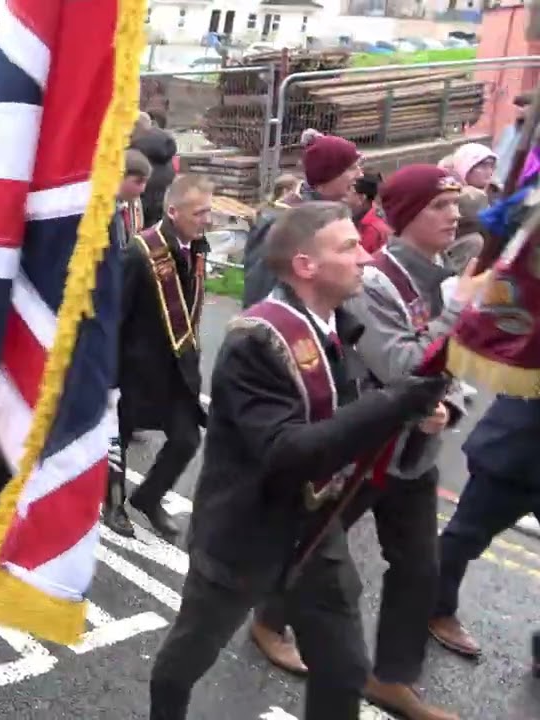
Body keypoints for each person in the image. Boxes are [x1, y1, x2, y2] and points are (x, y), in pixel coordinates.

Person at [147, 201, 451, 720]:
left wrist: (409, 413)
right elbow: (288, 453)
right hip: (244, 537)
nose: (366, 259)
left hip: (314, 533)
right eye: (349, 247)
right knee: (189, 656)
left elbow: (343, 414)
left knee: (345, 668)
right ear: (306, 265)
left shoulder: (338, 328)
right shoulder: (256, 341)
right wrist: (394, 402)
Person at [251, 165, 471, 720]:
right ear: (407, 216)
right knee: (316, 544)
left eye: (454, 205)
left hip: (415, 454)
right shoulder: (375, 282)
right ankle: (268, 619)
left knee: (419, 567)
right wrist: (457, 310)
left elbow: (458, 359)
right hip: (365, 448)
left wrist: (452, 405)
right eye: (438, 207)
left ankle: (392, 676)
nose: (454, 216)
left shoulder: (449, 274)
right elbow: (399, 364)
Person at [106, 175, 212, 538]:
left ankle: (149, 498)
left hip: (176, 370)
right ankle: (113, 505)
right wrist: (108, 377)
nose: (207, 220)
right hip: (135, 368)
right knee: (116, 438)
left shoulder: (198, 247)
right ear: (173, 211)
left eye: (208, 211)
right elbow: (115, 314)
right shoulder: (139, 253)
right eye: (199, 213)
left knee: (186, 440)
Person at [430, 396, 540, 660]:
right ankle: (434, 608)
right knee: (465, 536)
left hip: (517, 446)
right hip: (516, 450)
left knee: (463, 536)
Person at [243, 130, 363, 307]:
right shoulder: (282, 220)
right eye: (352, 168)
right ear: (330, 173)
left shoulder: (335, 212)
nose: (360, 174)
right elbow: (259, 291)